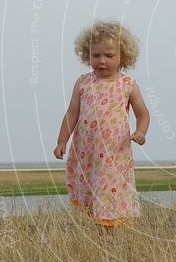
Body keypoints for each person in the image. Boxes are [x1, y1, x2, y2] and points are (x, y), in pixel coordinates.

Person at [54, 20, 149, 234]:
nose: (102, 61)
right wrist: (62, 141)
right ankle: (99, 232)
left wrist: (141, 132)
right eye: (95, 55)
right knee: (91, 190)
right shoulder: (83, 83)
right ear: (86, 55)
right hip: (87, 151)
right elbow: (71, 113)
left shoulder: (127, 84)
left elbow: (142, 113)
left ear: (122, 56)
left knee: (110, 190)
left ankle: (110, 236)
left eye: (109, 55)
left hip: (115, 151)